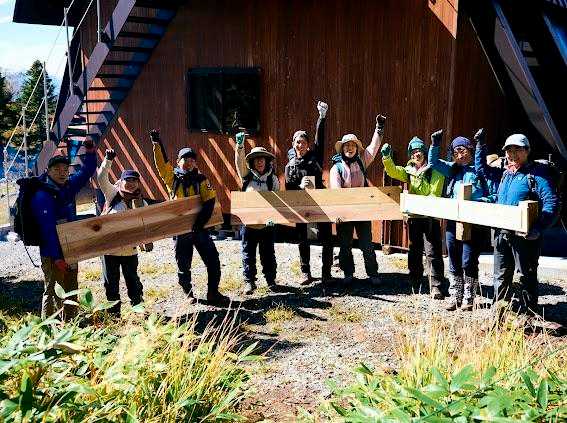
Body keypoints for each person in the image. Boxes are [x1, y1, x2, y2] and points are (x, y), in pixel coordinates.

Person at [478, 133, 559, 314]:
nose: (512, 154)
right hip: (501, 232)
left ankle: (529, 315)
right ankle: (499, 313)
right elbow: (482, 170)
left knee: (525, 276)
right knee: (500, 275)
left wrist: (538, 228)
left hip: (525, 236)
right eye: (509, 150)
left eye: (517, 150)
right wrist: (480, 146)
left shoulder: (537, 175)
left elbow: (551, 203)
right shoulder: (506, 173)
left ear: (527, 151)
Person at [149, 129, 228, 305]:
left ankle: (213, 293)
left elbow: (209, 201)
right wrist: (157, 143)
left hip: (199, 228)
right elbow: (161, 164)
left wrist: (199, 224)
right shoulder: (172, 178)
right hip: (181, 230)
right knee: (183, 265)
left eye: (192, 160)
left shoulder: (201, 179)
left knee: (213, 261)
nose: (189, 162)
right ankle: (188, 294)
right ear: (178, 162)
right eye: (186, 159)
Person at [31, 140, 97, 320]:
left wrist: (90, 152)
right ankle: (49, 327)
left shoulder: (68, 187)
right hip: (52, 253)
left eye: (65, 170)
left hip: (70, 248)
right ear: (48, 171)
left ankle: (70, 322)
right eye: (57, 170)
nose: (62, 173)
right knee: (53, 290)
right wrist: (57, 257)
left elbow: (86, 172)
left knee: (71, 286)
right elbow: (47, 230)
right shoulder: (42, 196)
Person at [428, 129, 493, 311]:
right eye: (456, 152)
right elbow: (433, 163)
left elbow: (492, 195)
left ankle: (469, 297)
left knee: (468, 259)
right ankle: (455, 295)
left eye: (463, 151)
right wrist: (435, 145)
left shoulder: (480, 171)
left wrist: (479, 203)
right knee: (454, 257)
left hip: (474, 222)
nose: (460, 155)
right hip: (453, 220)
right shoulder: (452, 170)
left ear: (470, 151)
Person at [380, 136, 446, 299]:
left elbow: (434, 193)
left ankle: (436, 285)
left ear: (425, 152)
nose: (417, 154)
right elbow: (393, 171)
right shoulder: (409, 170)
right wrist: (387, 158)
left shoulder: (435, 170)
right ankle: (415, 281)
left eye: (419, 151)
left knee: (432, 251)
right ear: (411, 154)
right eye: (414, 151)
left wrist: (421, 203)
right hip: (415, 217)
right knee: (414, 250)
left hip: (430, 217)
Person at [329, 114, 386, 285]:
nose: (350, 148)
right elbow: (336, 193)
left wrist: (379, 128)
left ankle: (373, 273)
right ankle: (348, 273)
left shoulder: (362, 161)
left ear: (356, 148)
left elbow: (373, 148)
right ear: (342, 149)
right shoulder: (336, 168)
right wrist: (338, 213)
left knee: (367, 244)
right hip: (345, 212)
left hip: (362, 211)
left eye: (353, 145)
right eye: (347, 145)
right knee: (345, 245)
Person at [96, 149, 150, 315]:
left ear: (138, 183)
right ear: (121, 181)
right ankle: (114, 315)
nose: (131, 183)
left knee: (133, 282)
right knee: (111, 284)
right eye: (128, 180)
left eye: (134, 180)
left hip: (130, 251)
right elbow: (101, 178)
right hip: (109, 250)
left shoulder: (142, 203)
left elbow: (145, 226)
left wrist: (147, 241)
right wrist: (108, 160)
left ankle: (138, 310)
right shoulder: (112, 194)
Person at [284, 100, 333, 284]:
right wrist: (299, 187)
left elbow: (320, 139)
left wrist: (322, 117)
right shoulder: (290, 166)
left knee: (327, 238)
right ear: (293, 144)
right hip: (301, 204)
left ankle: (326, 272)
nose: (301, 145)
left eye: (303, 142)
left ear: (307, 144)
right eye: (298, 142)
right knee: (302, 239)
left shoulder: (315, 158)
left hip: (320, 202)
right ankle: (305, 272)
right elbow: (288, 190)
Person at [235, 132, 280, 294]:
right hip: (249, 225)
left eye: (262, 159)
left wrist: (274, 218)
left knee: (268, 254)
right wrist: (240, 146)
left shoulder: (272, 180)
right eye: (256, 159)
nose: (260, 161)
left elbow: (278, 202)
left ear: (266, 161)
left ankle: (270, 280)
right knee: (248, 254)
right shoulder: (246, 176)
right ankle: (249, 282)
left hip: (267, 225)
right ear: (252, 162)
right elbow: (239, 163)